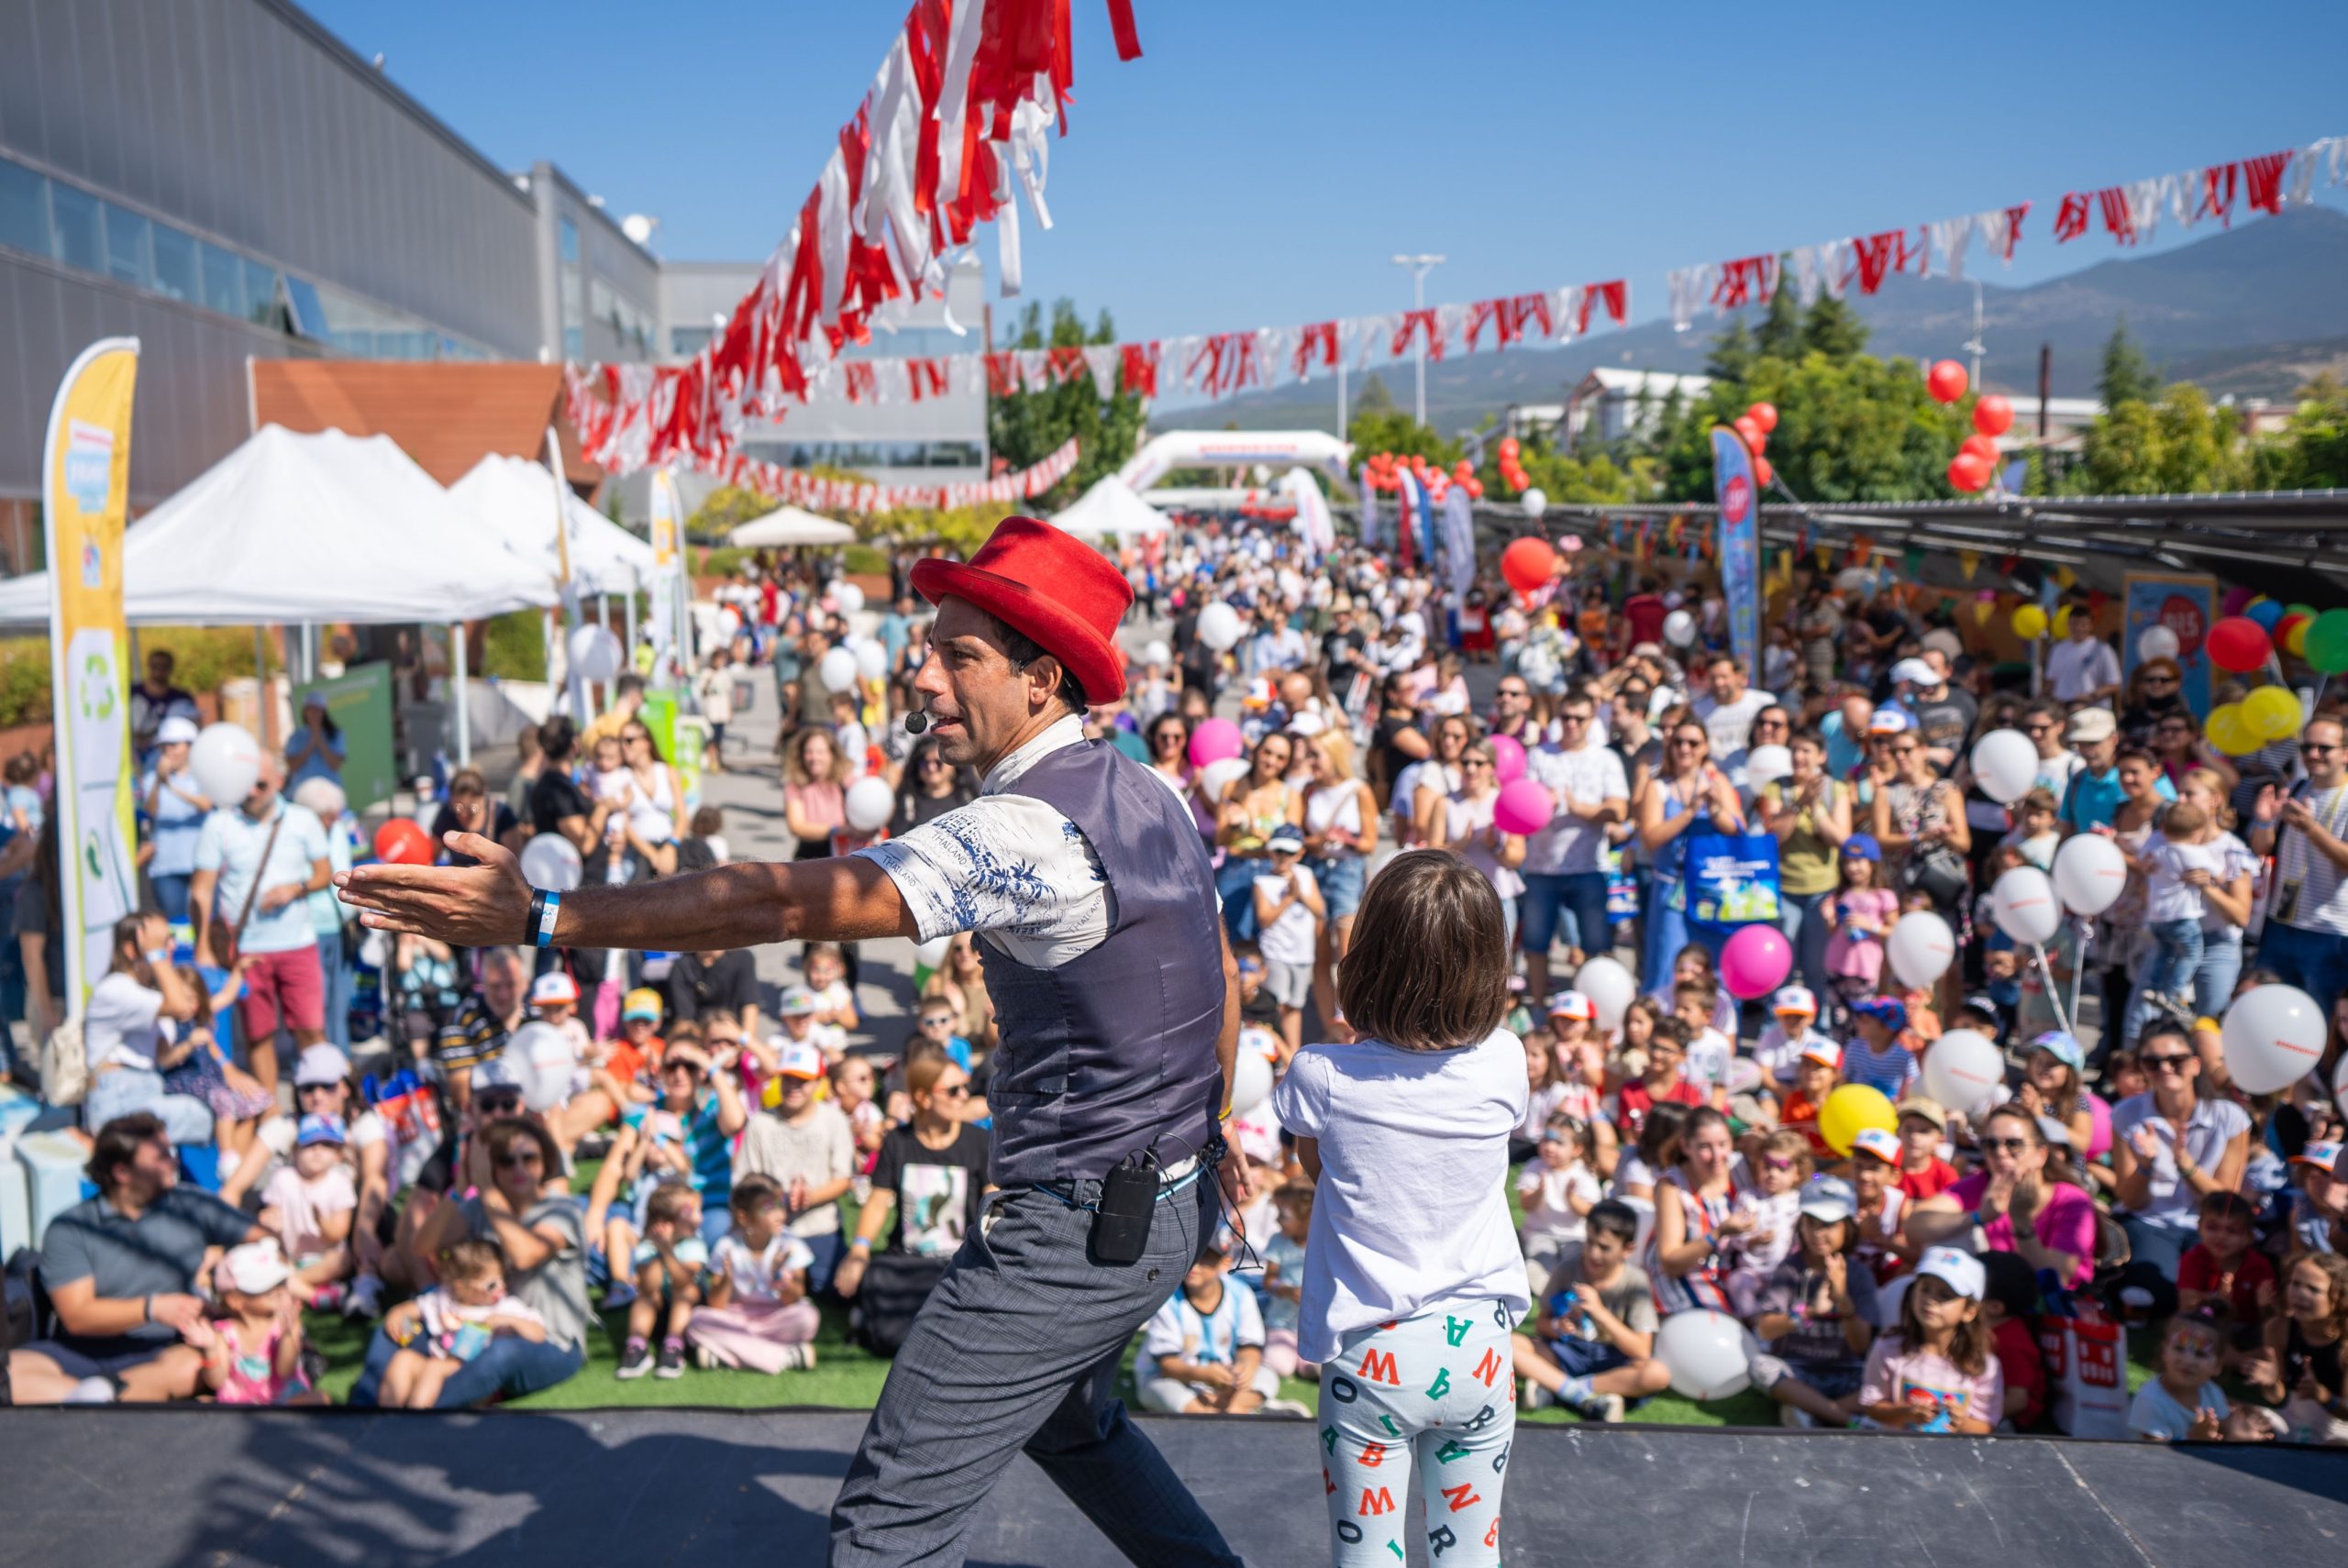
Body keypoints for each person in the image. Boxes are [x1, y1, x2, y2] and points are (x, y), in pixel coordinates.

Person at [339, 515, 1255, 1563]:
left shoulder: (1022, 831)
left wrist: (545, 916)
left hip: (1083, 1226)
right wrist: (1206, 1129)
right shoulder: (1145, 787)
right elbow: (1220, 973)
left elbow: (770, 902)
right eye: (928, 649)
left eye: (958, 656)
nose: (922, 678)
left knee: (886, 1529)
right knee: (1069, 1420)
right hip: (1163, 1199)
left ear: (1041, 680)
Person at [1269, 850, 1527, 1565]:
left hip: (1372, 1353)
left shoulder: (1320, 1074)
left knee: (1368, 1557)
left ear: (1368, 960)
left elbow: (1319, 1166)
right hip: (1481, 1351)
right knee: (1470, 1555)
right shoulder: (1506, 1060)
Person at [6, 1113, 269, 1404]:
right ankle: (94, 1399)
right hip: (81, 1350)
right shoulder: (70, 1228)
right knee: (9, 1371)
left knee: (192, 1367)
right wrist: (153, 1308)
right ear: (122, 1172)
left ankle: (86, 1399)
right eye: (161, 1157)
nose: (173, 1162)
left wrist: (220, 1265)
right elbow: (78, 1316)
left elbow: (265, 1240)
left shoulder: (192, 1205)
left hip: (165, 1347)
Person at [348, 1119, 589, 1407]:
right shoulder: (478, 1209)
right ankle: (359, 1412)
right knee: (396, 1330)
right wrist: (460, 1189)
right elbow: (423, 1246)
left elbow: (525, 1255)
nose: (519, 1168)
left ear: (545, 1162)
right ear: (491, 1166)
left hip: (549, 1342)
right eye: (506, 1160)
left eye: (529, 1158)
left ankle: (415, 1419)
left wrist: (487, 1190)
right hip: (475, 1333)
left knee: (501, 1354)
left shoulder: (563, 1209)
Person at [191, 755, 333, 1094]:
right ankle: (269, 1110)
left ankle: (321, 1104)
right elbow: (201, 890)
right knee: (258, 1034)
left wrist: (294, 889)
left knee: (311, 1029)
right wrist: (203, 946)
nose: (252, 792)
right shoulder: (220, 823)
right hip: (247, 948)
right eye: (246, 784)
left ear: (279, 782)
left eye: (261, 784)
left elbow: (325, 874)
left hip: (298, 942)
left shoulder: (302, 820)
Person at [835, 1052, 991, 1358]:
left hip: (960, 1261)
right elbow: (878, 1201)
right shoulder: (898, 1142)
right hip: (906, 1261)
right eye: (953, 1090)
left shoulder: (979, 1142)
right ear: (923, 1097)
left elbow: (993, 1202)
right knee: (876, 1276)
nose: (964, 1096)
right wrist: (859, 1250)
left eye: (965, 1087)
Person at [2109, 1022, 2252, 1282]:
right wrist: (2146, 1167)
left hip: (2210, 1227)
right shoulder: (2125, 1113)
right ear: (2143, 1069)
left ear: (2195, 1065)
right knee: (2151, 1291)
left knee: (2205, 1290)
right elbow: (2130, 1201)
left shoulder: (2231, 1117)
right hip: (2150, 1221)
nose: (2165, 1068)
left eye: (2176, 1060)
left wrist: (2185, 1165)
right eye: (2153, 1062)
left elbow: (2226, 1203)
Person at [1907, 1105, 2098, 1291]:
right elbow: (1914, 1227)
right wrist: (1977, 1217)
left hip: (2051, 1305)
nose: (2000, 1152)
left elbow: (2056, 1281)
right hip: (1991, 1298)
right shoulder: (1981, 1184)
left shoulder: (2073, 1201)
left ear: (2040, 1155)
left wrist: (2022, 1224)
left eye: (2014, 1144)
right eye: (1990, 1144)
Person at [1518, 688, 1630, 1003]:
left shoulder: (1605, 758)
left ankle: (1591, 1008)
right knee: (1536, 943)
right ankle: (1538, 1008)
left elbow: (1619, 810)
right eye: (1565, 717)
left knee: (1596, 944)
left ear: (1591, 719)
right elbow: (1522, 809)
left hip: (1589, 867)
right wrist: (1542, 805)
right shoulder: (1539, 755)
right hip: (1542, 867)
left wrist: (1581, 809)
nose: (1571, 724)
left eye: (1579, 718)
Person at [1745, 1176, 1880, 1428]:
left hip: (1847, 1373)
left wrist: (1843, 1300)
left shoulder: (1860, 1274)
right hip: (1798, 1371)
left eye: (1828, 1225)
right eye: (1811, 1223)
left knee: (1881, 1380)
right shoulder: (1789, 1269)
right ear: (1801, 1225)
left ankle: (1812, 1413)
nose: (1818, 1234)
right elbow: (1765, 1329)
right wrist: (1807, 1312)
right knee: (1760, 1367)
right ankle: (1846, 1420)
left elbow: (1861, 1345)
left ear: (1848, 1227)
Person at [80, 912, 215, 1147]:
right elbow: (181, 1006)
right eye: (162, 941)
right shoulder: (116, 989)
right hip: (120, 1100)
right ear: (131, 950)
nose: (171, 946)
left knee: (228, 1104)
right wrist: (156, 954)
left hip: (145, 1089)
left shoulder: (146, 990)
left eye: (170, 939)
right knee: (206, 1115)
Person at [735, 1039, 858, 1295]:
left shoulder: (833, 1120)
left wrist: (809, 1197)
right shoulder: (760, 1123)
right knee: (765, 1287)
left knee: (835, 1290)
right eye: (788, 1079)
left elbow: (844, 1178)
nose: (793, 1087)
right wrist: (780, 1200)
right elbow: (746, 1183)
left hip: (820, 1226)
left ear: (818, 1083)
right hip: (771, 1228)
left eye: (802, 1081)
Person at [2247, 714, 2348, 1020]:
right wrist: (2265, 821)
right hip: (2281, 922)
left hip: (2328, 930)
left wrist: (2310, 828)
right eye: (2306, 747)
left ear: (2345, 753)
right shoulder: (2296, 788)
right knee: (2269, 1012)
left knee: (2321, 1018)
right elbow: (2261, 848)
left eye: (2324, 748)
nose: (2313, 754)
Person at [1634, 720, 1744, 991]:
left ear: (1705, 747)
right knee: (1667, 964)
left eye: (1693, 743)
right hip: (1672, 889)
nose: (1685, 748)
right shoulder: (1658, 786)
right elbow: (1650, 838)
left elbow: (1737, 829)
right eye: (1679, 742)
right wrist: (1689, 812)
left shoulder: (1717, 782)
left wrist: (1715, 809)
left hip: (1711, 889)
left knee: (1712, 967)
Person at [377, 1235, 549, 1408]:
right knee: (404, 1358)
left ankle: (415, 1417)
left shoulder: (504, 1307)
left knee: (434, 1368)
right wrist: (397, 1315)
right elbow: (413, 1308)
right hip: (440, 1363)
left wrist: (509, 1320)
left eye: (503, 1279)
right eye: (491, 1285)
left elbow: (539, 1334)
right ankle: (385, 1415)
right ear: (461, 1287)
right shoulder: (445, 1299)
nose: (501, 1287)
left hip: (475, 1373)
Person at [1858, 1246, 2001, 1434]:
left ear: (1969, 1311)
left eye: (1945, 1295)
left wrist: (1962, 1423)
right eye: (1925, 1289)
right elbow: (1872, 1407)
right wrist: (1905, 1413)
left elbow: (1985, 1426)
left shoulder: (1985, 1365)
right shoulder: (1889, 1346)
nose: (1930, 1300)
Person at [1136, 1238, 1281, 1415]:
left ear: (1225, 1262)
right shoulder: (1167, 1297)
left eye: (1206, 1258)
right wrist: (1204, 1375)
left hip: (1224, 1378)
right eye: (1191, 1255)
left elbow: (1250, 1348)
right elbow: (1168, 1366)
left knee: (1266, 1376)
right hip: (1175, 1378)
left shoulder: (1241, 1293)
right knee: (1164, 1391)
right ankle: (1231, 1413)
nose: (1195, 1265)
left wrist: (1243, 1371)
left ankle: (1232, 1409)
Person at [1760, 728, 1851, 1000]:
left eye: (1806, 751)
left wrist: (1816, 808)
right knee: (1781, 967)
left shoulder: (1836, 790)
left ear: (1821, 756)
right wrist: (1799, 803)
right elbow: (1773, 837)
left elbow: (1841, 840)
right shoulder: (1776, 788)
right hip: (1784, 891)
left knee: (1817, 969)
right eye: (1794, 750)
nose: (1798, 757)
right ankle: (1775, 1020)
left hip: (1822, 893)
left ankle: (1819, 1022)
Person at [2242, 1252, 2348, 1444]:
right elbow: (2278, 1396)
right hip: (2291, 1419)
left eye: (2313, 1289)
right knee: (2241, 1421)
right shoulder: (2278, 1328)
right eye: (2295, 1284)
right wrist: (2271, 1384)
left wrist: (2323, 1396)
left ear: (2339, 1297)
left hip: (2337, 1429)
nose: (2300, 1294)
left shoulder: (2345, 1344)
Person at [198, 1241, 314, 1406]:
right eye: (267, 1287)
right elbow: (216, 1382)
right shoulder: (224, 1332)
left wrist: (288, 1335)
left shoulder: (286, 1323)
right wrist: (210, 1350)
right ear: (235, 1301)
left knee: (319, 1399)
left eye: (280, 1282)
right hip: (240, 1405)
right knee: (201, 1402)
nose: (278, 1290)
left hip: (285, 1400)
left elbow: (285, 1371)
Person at [1250, 823, 1323, 1060]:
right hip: (1276, 954)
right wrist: (1289, 899)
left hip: (1302, 954)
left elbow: (1320, 910)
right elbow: (1264, 919)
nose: (1283, 857)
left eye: (1289, 852)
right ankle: (1280, 1057)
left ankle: (1293, 1054)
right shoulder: (1262, 881)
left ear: (1300, 854)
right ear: (1270, 852)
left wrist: (1300, 894)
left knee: (1295, 1006)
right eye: (1278, 851)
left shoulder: (1306, 875)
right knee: (1277, 1006)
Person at [139, 716, 210, 922]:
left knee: (205, 922)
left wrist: (171, 786)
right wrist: (159, 781)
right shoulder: (152, 776)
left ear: (190, 746)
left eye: (174, 745)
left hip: (202, 862)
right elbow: (151, 810)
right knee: (177, 925)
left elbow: (205, 804)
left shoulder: (204, 774)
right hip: (167, 866)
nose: (168, 751)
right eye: (164, 746)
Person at [2047, 611, 2121, 706]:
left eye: (2083, 624)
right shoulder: (2058, 649)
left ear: (2090, 625)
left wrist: (2091, 696)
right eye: (2074, 624)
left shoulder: (2102, 649)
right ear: (2068, 625)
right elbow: (2051, 681)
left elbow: (2114, 684)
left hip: (2092, 708)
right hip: (2062, 707)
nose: (2078, 628)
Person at [285, 692, 345, 791]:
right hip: (303, 790)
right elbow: (292, 766)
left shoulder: (335, 734)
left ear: (323, 713)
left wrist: (319, 739)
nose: (314, 714)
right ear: (305, 712)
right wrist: (311, 742)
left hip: (329, 789)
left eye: (318, 710)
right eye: (311, 709)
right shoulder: (295, 737)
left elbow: (335, 764)